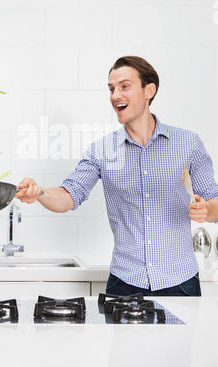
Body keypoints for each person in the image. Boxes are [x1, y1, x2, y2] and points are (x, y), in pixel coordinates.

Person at [16, 56, 218, 296]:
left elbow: (214, 200)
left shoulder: (187, 143)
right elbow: (70, 195)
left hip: (181, 282)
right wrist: (39, 193)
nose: (115, 96)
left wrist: (206, 210)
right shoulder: (101, 150)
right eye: (111, 89)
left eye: (124, 86)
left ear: (149, 90)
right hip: (124, 283)